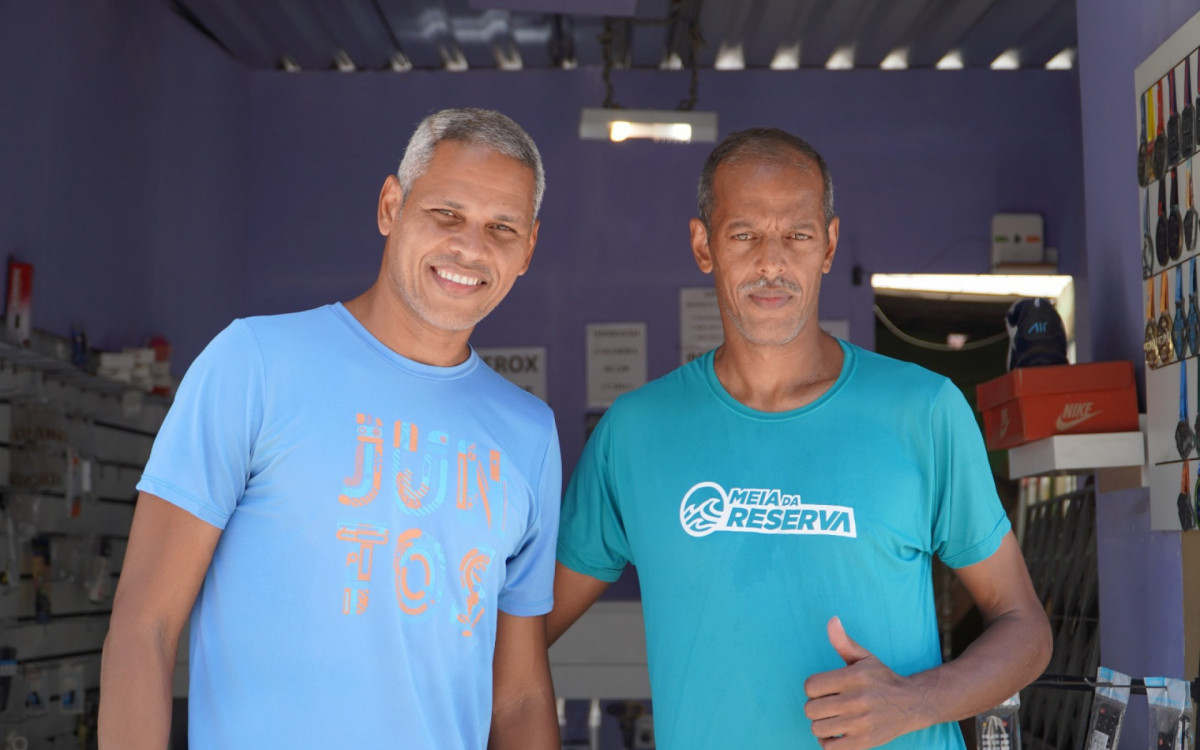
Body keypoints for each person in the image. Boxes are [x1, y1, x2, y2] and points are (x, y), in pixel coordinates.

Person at [548, 128, 1052, 750]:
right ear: (703, 245)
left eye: (798, 235)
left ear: (829, 245)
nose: (772, 262)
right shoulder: (635, 433)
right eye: (744, 234)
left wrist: (916, 702)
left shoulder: (924, 411)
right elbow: (519, 632)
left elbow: (1025, 628)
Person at [100, 108, 561, 750]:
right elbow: (144, 627)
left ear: (528, 249)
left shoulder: (529, 433)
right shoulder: (254, 363)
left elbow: (520, 698)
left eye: (501, 227)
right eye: (446, 215)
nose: (471, 248)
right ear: (390, 206)